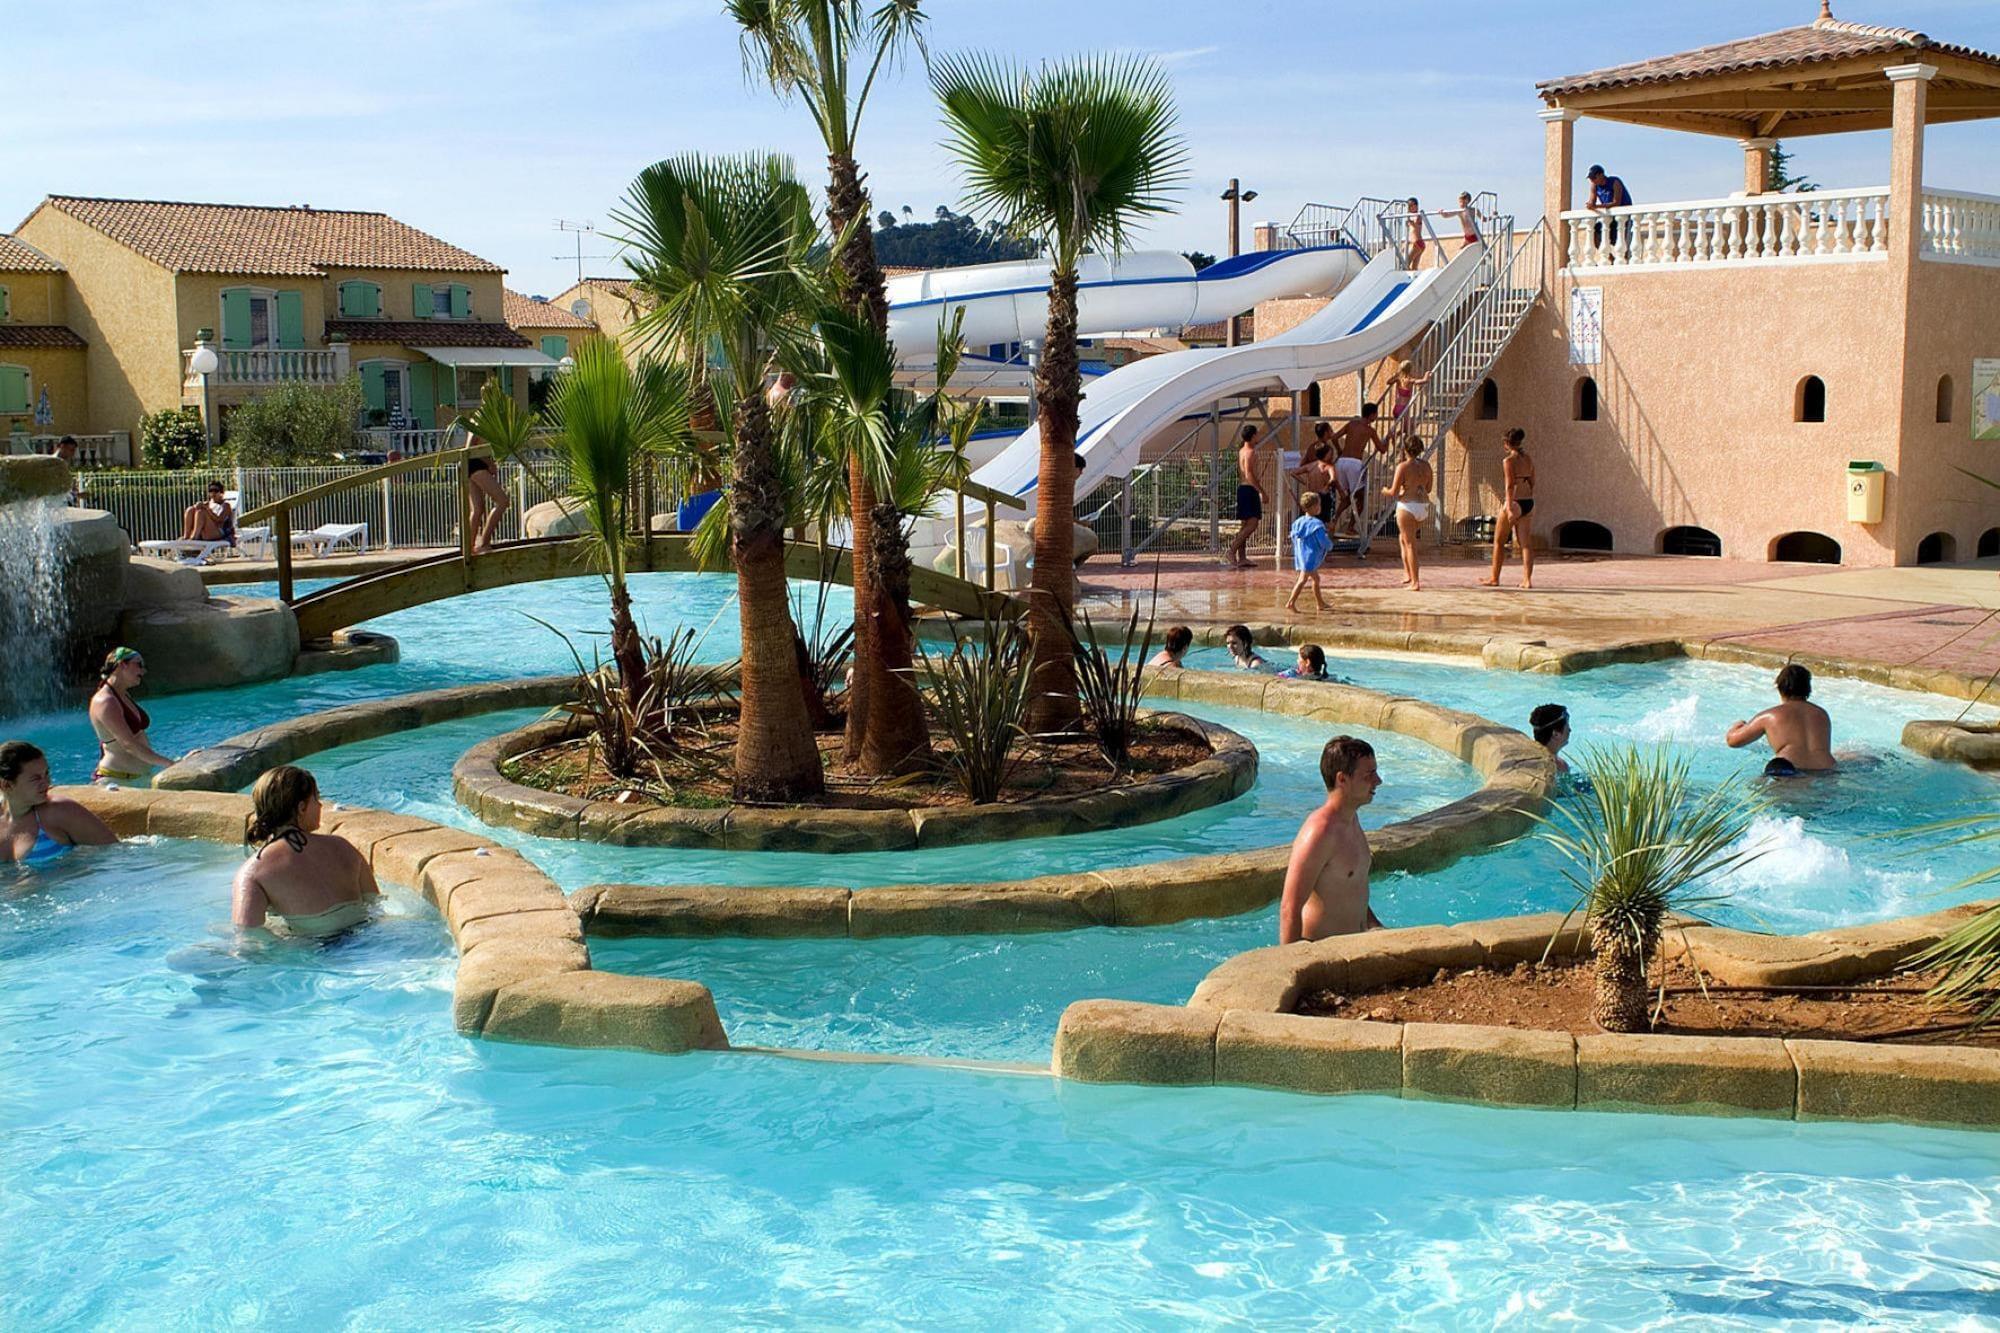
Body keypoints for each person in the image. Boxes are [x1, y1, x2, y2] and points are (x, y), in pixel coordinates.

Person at [232, 766, 380, 937]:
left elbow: (247, 937)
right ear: (301, 808)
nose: (321, 805)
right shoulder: (344, 847)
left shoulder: (253, 872)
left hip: (315, 948)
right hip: (365, 938)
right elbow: (376, 906)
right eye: (317, 798)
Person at [1279, 735, 1383, 943]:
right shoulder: (1320, 832)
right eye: (1369, 774)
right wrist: (1293, 958)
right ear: (1342, 779)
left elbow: (1351, 890)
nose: (1378, 781)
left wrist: (1376, 927)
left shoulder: (1351, 820)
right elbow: (1290, 908)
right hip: (1319, 950)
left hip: (1354, 944)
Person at [0, 741, 116, 865]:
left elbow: (116, 854)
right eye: (36, 778)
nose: (47, 782)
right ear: (7, 785)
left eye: (46, 774)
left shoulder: (60, 811)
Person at [1727, 664, 1836, 775]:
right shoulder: (1821, 714)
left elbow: (1733, 741)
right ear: (1808, 689)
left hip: (1789, 769)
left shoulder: (1770, 716)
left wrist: (1738, 725)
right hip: (1827, 769)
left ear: (1780, 688)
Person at [89, 647, 176, 784]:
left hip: (138, 777)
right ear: (122, 664)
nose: (143, 671)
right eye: (139, 664)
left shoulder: (123, 695)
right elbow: (128, 744)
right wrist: (171, 764)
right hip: (118, 780)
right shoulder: (105, 701)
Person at [1481, 428, 1536, 589]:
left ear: (1506, 443)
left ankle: (1494, 578)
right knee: (1526, 543)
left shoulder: (1508, 461)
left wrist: (1510, 507)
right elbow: (1533, 480)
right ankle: (1527, 580)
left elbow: (1509, 485)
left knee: (1499, 541)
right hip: (1528, 502)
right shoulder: (1528, 459)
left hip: (1515, 502)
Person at [1382, 439, 1434, 592]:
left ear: (1405, 449)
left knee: (1410, 544)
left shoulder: (1403, 466)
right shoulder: (1427, 466)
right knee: (1403, 539)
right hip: (1423, 507)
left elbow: (1393, 492)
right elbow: (1429, 488)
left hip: (1407, 507)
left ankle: (1415, 582)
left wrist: (1384, 490)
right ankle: (1408, 574)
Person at [1329, 405, 1386, 536]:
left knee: (1348, 496)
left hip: (1341, 462)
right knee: (1361, 498)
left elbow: (1334, 438)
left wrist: (1339, 450)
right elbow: (1382, 450)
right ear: (1371, 415)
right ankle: (1350, 527)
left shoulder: (1351, 424)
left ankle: (1334, 520)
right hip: (1354, 463)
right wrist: (1388, 439)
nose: (1377, 416)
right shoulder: (1370, 430)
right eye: (1376, 414)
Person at [1225, 424, 1267, 569]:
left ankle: (1242, 557)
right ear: (1253, 436)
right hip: (1249, 489)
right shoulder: (1250, 452)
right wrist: (1261, 491)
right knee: (1253, 524)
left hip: (1242, 489)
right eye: (1257, 434)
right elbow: (1249, 474)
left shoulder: (1242, 451)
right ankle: (1231, 550)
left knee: (1244, 525)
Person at [1286, 492, 1334, 614]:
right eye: (1318, 505)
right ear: (1313, 507)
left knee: (1316, 579)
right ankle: (1291, 602)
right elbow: (1323, 541)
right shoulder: (1317, 525)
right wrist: (1330, 546)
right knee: (1302, 580)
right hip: (1310, 558)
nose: (1320, 507)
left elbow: (1293, 537)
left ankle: (1320, 603)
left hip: (1302, 556)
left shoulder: (1298, 522)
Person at [1288, 429, 1338, 524]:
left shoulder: (1310, 466)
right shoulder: (1328, 466)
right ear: (1325, 454)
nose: (1331, 455)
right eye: (1330, 453)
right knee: (1325, 520)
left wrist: (1304, 482)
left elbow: (1293, 472)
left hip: (1311, 495)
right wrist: (1326, 487)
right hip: (1322, 496)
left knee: (1309, 518)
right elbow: (1333, 478)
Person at [466, 454, 510, 555]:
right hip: (477, 465)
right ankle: (484, 542)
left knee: (477, 509)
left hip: (470, 465)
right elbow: (473, 449)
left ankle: (469, 547)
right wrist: (490, 464)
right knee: (503, 502)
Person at [1585, 165, 1634, 257]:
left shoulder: (1614, 182)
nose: (1592, 180)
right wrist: (1590, 205)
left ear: (1601, 175)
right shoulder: (1594, 186)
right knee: (1593, 233)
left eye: (1594, 178)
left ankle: (1624, 259)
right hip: (1609, 218)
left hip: (1623, 218)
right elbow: (1592, 201)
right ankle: (1611, 259)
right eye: (1590, 179)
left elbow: (1616, 202)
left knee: (1623, 244)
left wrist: (1596, 206)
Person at [1385, 360, 1431, 445]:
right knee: (1408, 431)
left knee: (1404, 427)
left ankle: (1393, 435)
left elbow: (1388, 382)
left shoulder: (1398, 379)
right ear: (1410, 370)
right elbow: (1423, 381)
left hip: (1397, 408)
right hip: (1404, 409)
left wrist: (1395, 375)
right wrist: (1427, 375)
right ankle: (1394, 438)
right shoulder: (1409, 380)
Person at [180, 480, 234, 545]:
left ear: (221, 492)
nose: (213, 493)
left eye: (216, 490)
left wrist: (207, 509)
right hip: (205, 531)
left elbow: (219, 520)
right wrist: (197, 506)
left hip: (219, 532)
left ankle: (194, 538)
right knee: (190, 509)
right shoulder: (207, 504)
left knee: (201, 513)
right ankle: (186, 536)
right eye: (211, 490)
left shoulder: (226, 505)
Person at [1530, 703, 1572, 774]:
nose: (1570, 730)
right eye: (1567, 726)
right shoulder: (1560, 767)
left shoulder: (1529, 756)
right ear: (1556, 734)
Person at [1404, 197, 1427, 269]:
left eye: (1411, 206)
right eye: (1408, 206)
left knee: (1406, 263)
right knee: (1414, 267)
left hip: (1417, 243)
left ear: (1416, 206)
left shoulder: (1418, 215)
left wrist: (1410, 223)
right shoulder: (1411, 216)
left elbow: (1416, 225)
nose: (1409, 208)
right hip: (1417, 243)